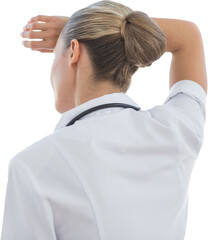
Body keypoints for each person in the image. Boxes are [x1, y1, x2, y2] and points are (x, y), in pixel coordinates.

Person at [1, 0, 207, 239]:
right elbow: (189, 38)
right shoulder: (176, 130)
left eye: (56, 53)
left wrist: (89, 31)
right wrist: (88, 29)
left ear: (73, 52)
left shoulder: (33, 166)